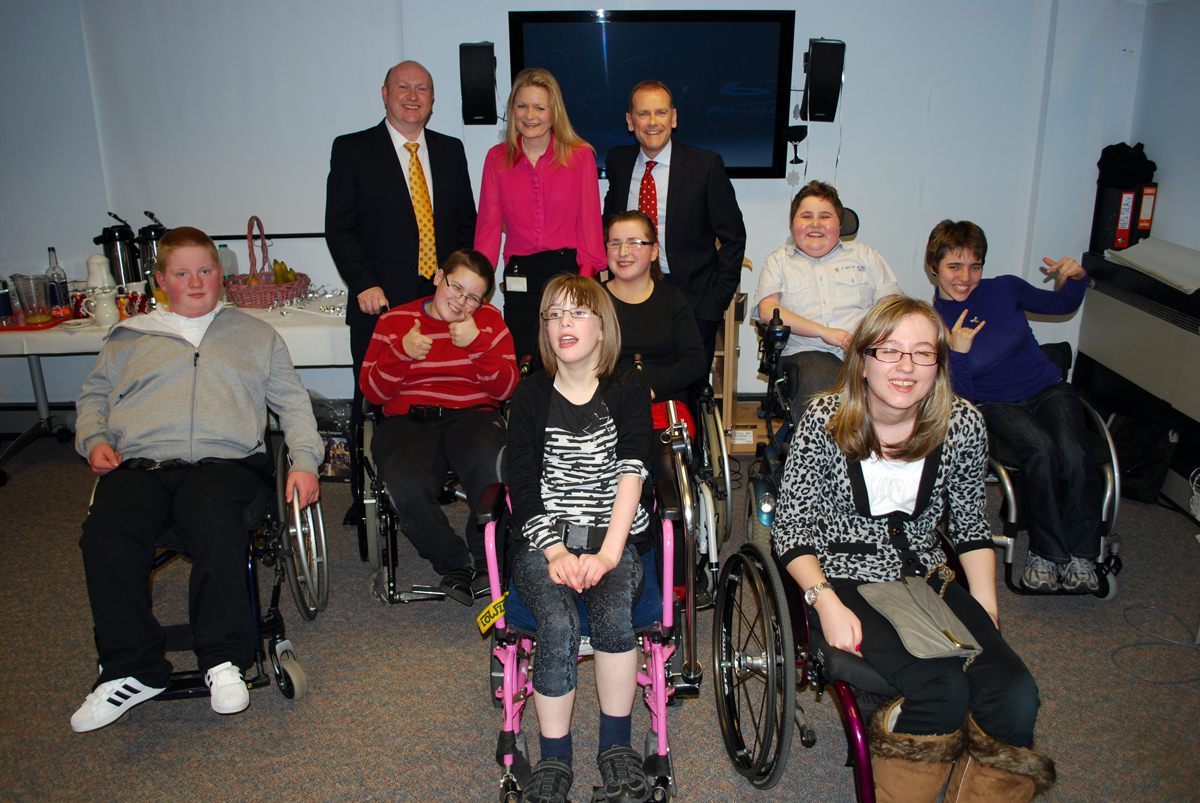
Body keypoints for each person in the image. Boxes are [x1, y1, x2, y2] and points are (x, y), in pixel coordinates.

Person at [773, 297, 1055, 803]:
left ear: (939, 365)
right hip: (842, 576)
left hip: (927, 576)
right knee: (941, 691)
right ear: (863, 360)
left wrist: (987, 604)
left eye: (923, 353)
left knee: (1014, 697)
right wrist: (825, 602)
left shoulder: (962, 423)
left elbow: (969, 524)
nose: (906, 366)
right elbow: (791, 528)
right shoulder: (824, 418)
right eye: (890, 351)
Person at [71, 227, 322, 732]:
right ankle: (130, 668)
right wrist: (92, 437)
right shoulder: (128, 336)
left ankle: (223, 660)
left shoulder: (254, 335)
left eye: (205, 271)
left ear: (220, 277)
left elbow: (293, 405)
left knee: (215, 523)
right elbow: (93, 397)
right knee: (105, 535)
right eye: (182, 273)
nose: (195, 282)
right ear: (161, 280)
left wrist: (305, 461)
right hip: (140, 462)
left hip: (223, 464)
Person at [506, 275, 655, 803]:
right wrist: (556, 551)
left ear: (601, 326)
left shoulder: (628, 386)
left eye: (576, 314)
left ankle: (615, 748)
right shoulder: (528, 394)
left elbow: (634, 468)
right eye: (553, 315)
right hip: (544, 542)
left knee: (614, 612)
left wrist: (609, 553)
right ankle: (555, 758)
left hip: (613, 540)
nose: (563, 324)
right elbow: (521, 485)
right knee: (557, 619)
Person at [325, 60, 477, 519]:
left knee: (440, 391)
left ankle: (428, 480)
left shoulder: (450, 150)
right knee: (374, 396)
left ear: (433, 100)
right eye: (403, 88)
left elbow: (465, 225)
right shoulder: (353, 149)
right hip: (381, 299)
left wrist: (461, 286)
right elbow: (340, 227)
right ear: (385, 94)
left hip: (440, 299)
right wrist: (363, 282)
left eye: (423, 89)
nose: (413, 96)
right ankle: (363, 493)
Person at [928, 220, 1101, 593]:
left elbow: (1061, 304)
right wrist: (957, 353)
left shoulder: (1003, 289)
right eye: (954, 267)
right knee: (1040, 450)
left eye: (975, 266)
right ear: (934, 268)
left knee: (1074, 452)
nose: (965, 277)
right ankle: (1046, 555)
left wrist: (1077, 277)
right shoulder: (933, 325)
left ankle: (1084, 556)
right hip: (994, 403)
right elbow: (961, 402)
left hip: (1048, 389)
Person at [360, 249, 517, 605]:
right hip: (409, 420)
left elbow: (507, 389)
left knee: (494, 463)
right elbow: (372, 391)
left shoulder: (489, 322)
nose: (461, 302)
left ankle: (484, 559)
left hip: (473, 414)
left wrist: (478, 344)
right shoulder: (395, 321)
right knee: (402, 482)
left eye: (473, 297)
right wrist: (401, 352)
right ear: (437, 276)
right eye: (455, 287)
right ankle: (454, 561)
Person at [603, 80, 747, 371]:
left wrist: (715, 300)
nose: (653, 122)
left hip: (693, 301)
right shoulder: (618, 161)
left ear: (674, 117)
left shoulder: (705, 166)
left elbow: (733, 237)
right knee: (627, 384)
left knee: (688, 388)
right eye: (643, 114)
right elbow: (609, 226)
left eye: (661, 112)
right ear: (630, 122)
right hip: (629, 297)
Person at [475, 68, 605, 374]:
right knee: (525, 366)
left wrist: (583, 284)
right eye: (522, 106)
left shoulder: (580, 155)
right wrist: (474, 287)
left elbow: (590, 225)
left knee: (572, 369)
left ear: (553, 112)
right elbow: (488, 229)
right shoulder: (496, 159)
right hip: (522, 275)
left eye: (539, 107)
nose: (530, 115)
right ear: (512, 111)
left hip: (569, 275)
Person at [750, 180, 901, 419]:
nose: (815, 224)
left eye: (825, 217)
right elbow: (769, 310)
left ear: (840, 224)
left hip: (867, 351)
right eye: (806, 216)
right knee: (824, 392)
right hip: (809, 352)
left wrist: (864, 341)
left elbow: (892, 311)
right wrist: (824, 332)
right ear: (793, 224)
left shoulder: (867, 257)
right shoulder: (779, 261)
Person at [602, 210, 707, 433]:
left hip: (661, 405)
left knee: (663, 458)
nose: (623, 252)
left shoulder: (672, 300)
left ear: (654, 252)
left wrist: (649, 388)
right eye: (615, 243)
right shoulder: (591, 301)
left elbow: (694, 361)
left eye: (634, 243)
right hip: (603, 405)